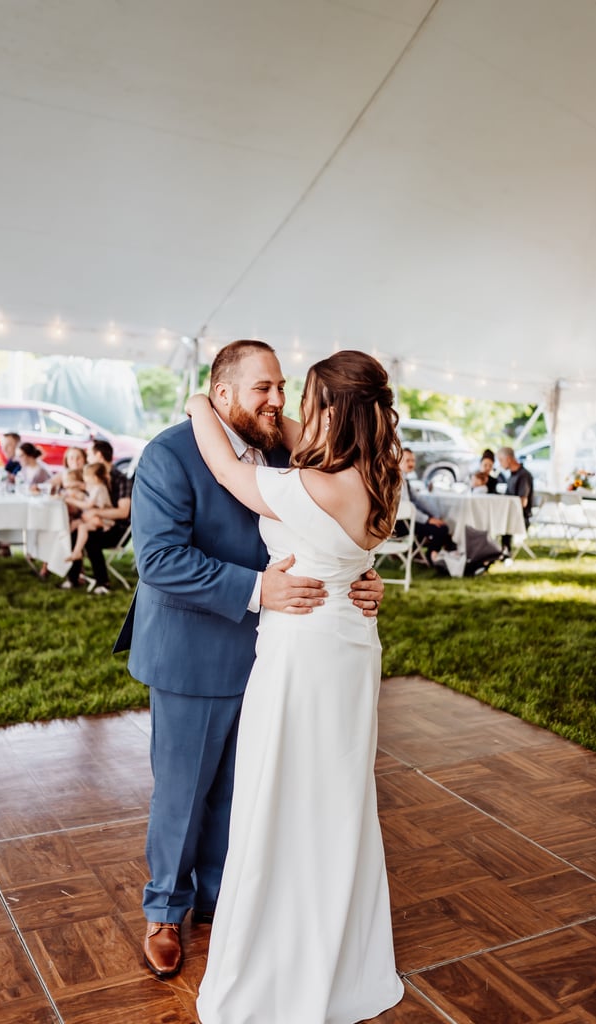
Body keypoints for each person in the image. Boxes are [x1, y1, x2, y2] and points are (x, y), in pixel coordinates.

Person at [113, 339, 386, 984]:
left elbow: (338, 527)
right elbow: (158, 562)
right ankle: (164, 912)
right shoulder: (169, 454)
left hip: (279, 660)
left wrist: (360, 576)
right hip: (196, 653)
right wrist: (256, 589)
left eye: (282, 387)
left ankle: (221, 897)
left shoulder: (292, 451)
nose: (276, 399)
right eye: (262, 387)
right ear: (223, 393)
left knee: (245, 790)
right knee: (184, 794)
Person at [188, 348, 404, 1023]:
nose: (293, 408)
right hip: (349, 639)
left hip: (302, 649)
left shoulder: (311, 486)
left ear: (332, 408)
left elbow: (226, 468)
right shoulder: (379, 476)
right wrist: (266, 405)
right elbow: (295, 444)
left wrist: (201, 400)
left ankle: (280, 958)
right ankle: (340, 950)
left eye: (306, 396)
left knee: (278, 790)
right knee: (335, 794)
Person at [61, 439, 132, 593]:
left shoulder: (121, 480)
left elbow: (123, 512)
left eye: (89, 454)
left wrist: (95, 512)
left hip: (118, 529)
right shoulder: (92, 476)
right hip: (99, 522)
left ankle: (102, 583)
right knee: (74, 531)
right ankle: (74, 578)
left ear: (99, 455)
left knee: (91, 538)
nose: (86, 458)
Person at [399, 447, 457, 562]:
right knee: (441, 529)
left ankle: (423, 554)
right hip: (400, 523)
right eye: (407, 460)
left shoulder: (405, 478)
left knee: (437, 523)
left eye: (413, 460)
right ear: (398, 461)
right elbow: (406, 507)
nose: (411, 463)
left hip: (406, 519)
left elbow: (418, 499)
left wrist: (435, 516)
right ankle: (432, 558)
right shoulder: (397, 481)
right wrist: (428, 520)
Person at [65, 462, 115, 561]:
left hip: (103, 519)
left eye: (86, 476)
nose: (84, 478)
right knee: (75, 524)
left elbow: (88, 505)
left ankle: (77, 552)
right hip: (95, 518)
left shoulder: (99, 488)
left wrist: (71, 500)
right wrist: (75, 485)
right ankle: (66, 549)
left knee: (82, 527)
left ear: (95, 478)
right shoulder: (95, 486)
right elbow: (84, 487)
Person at [497, 445, 534, 555]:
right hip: (508, 513)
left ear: (508, 459)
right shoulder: (512, 475)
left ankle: (505, 551)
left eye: (500, 460)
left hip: (520, 517)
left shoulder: (524, 476)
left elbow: (523, 502)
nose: (499, 463)